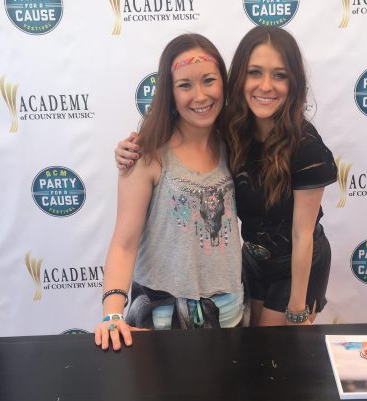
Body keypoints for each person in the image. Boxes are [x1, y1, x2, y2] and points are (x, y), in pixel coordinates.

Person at [115, 26, 336, 327]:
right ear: (239, 78)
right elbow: (124, 242)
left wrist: (297, 310)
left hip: (294, 267)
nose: (266, 86)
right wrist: (128, 150)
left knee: (271, 350)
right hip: (250, 264)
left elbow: (302, 235)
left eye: (279, 75)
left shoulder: (306, 147)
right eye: (255, 72)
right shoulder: (234, 131)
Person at [95, 34, 243, 351]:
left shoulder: (234, 143)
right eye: (185, 85)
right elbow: (123, 244)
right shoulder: (146, 154)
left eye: (209, 80)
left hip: (228, 310)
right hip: (159, 316)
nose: (200, 95)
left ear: (223, 82)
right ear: (170, 92)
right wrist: (112, 314)